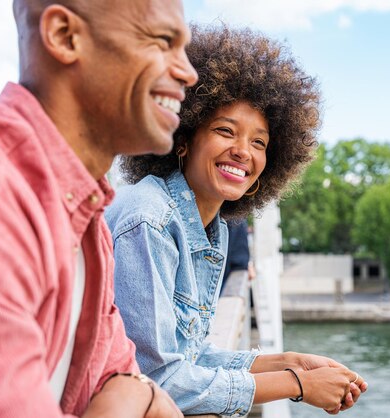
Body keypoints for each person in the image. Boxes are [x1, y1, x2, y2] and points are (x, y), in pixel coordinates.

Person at [0, 0, 198, 417]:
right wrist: (134, 396)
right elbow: (125, 386)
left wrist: (134, 390)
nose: (188, 71)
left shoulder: (85, 214)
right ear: (64, 36)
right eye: (163, 41)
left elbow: (117, 371)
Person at [106, 25, 368, 417]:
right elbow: (159, 381)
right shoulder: (151, 220)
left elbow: (190, 355)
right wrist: (298, 385)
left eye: (259, 142)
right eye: (225, 131)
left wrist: (289, 361)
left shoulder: (212, 228)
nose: (243, 151)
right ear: (184, 138)